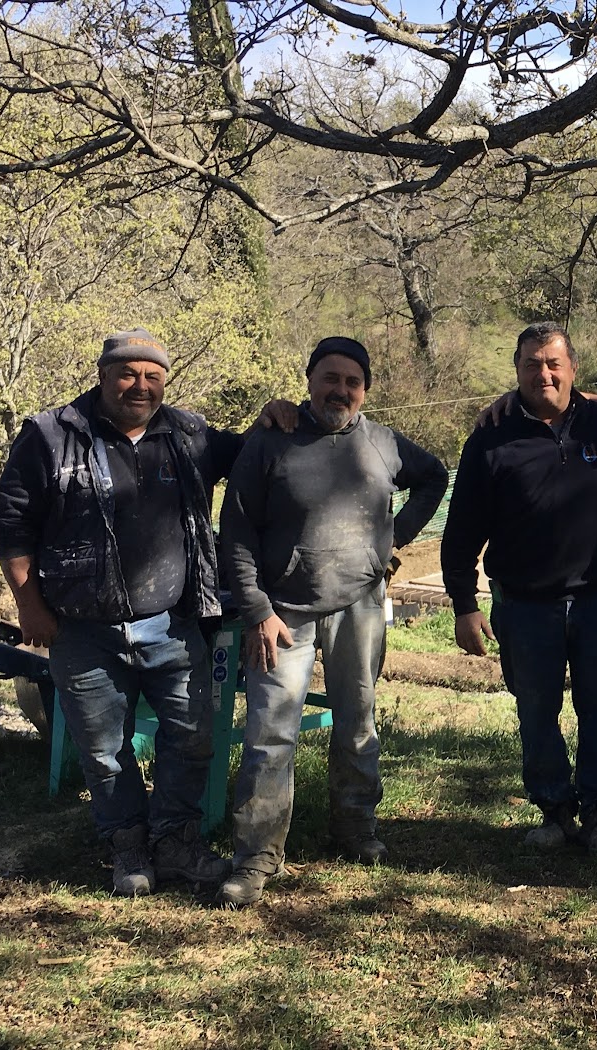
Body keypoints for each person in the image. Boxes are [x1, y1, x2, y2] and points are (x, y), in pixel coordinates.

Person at [0, 328, 277, 897]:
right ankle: (127, 849)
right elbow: (10, 523)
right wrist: (29, 605)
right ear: (103, 375)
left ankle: (175, 843)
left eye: (152, 376)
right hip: (82, 628)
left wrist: (277, 413)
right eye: (128, 373)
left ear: (164, 381)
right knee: (103, 749)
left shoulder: (190, 435)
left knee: (191, 737)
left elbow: (256, 454)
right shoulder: (50, 436)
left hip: (174, 625)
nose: (140, 386)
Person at [217, 336, 447, 907]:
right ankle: (258, 853)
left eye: (352, 381)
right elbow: (238, 530)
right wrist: (256, 608)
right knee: (270, 734)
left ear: (364, 389)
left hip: (360, 606)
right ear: (310, 379)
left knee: (358, 720)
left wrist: (394, 543)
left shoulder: (384, 442)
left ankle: (355, 829)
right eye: (330, 377)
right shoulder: (271, 440)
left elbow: (435, 478)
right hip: (281, 614)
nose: (340, 389)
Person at [442, 322, 597, 852]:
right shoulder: (490, 438)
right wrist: (464, 605)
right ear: (516, 371)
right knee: (536, 710)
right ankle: (554, 810)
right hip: (525, 604)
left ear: (574, 369)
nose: (544, 373)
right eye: (531, 364)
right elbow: (461, 531)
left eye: (554, 363)